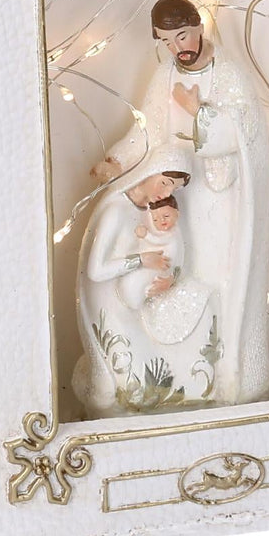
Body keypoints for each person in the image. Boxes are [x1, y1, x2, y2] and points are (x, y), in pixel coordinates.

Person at [90, 0, 269, 405]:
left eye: (183, 36)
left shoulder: (229, 73)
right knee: (176, 271)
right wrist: (116, 160)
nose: (177, 48)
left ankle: (221, 374)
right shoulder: (164, 75)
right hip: (177, 197)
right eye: (166, 41)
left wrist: (199, 112)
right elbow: (148, 131)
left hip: (218, 198)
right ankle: (178, 374)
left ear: (199, 26)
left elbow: (243, 129)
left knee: (217, 275)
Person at [73, 146, 221, 415]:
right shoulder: (117, 210)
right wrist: (141, 261)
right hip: (111, 305)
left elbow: (172, 254)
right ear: (150, 171)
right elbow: (95, 271)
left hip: (140, 301)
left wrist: (170, 280)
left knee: (160, 378)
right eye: (165, 182)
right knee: (133, 387)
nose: (167, 192)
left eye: (174, 188)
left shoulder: (154, 211)